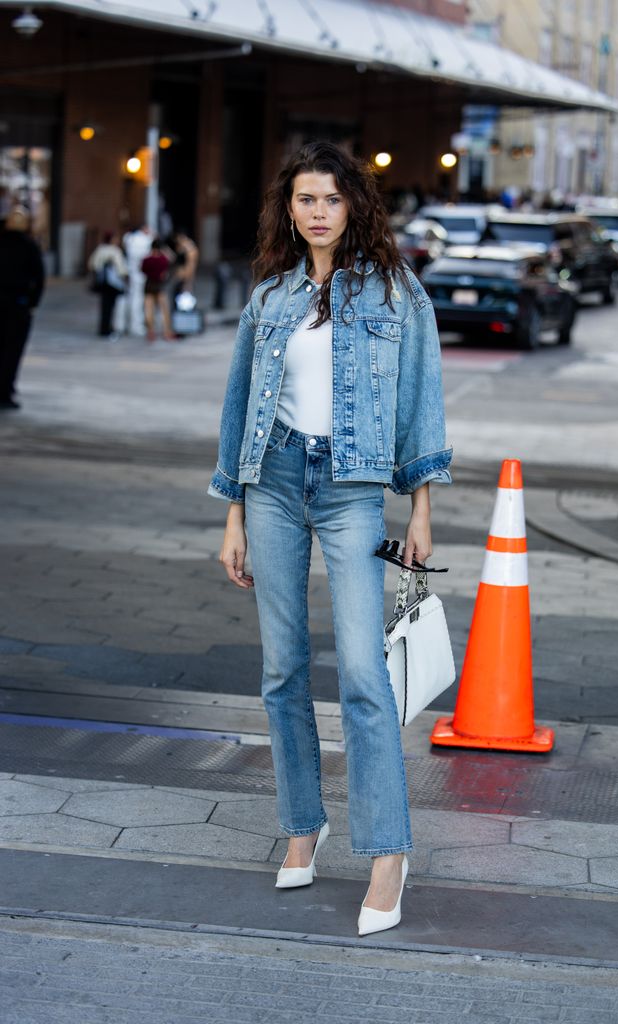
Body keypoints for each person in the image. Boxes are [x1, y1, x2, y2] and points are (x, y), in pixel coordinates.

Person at [209, 142, 452, 936]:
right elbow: (239, 407)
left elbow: (421, 404)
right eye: (303, 199)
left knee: (359, 671)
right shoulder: (270, 297)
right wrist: (234, 513)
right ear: (289, 209)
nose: (316, 212)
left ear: (355, 207)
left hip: (350, 490)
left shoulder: (395, 293)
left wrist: (419, 507)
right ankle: (302, 825)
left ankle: (387, 852)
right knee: (281, 671)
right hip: (272, 482)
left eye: (331, 199)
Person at [0, 206, 45, 410]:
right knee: (12, 350)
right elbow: (39, 278)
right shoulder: (29, 246)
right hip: (18, 305)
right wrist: (32, 302)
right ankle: (5, 390)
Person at [87, 231, 127, 341]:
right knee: (111, 307)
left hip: (102, 282)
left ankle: (103, 328)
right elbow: (121, 269)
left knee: (104, 306)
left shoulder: (100, 249)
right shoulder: (115, 251)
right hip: (113, 283)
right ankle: (108, 328)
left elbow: (92, 264)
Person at [141, 238, 174, 341]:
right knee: (164, 310)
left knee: (148, 310)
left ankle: (151, 331)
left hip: (149, 285)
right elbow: (172, 261)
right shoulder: (163, 259)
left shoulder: (146, 260)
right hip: (160, 286)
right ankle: (167, 332)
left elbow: (143, 270)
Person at [122, 224, 152, 336]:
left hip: (131, 272)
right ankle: (136, 325)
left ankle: (125, 324)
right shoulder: (145, 240)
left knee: (130, 298)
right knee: (138, 300)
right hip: (140, 273)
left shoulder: (130, 238)